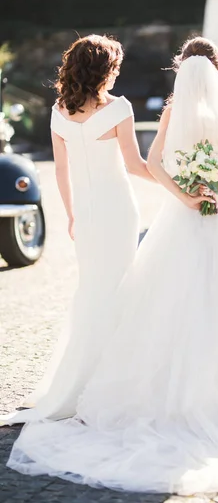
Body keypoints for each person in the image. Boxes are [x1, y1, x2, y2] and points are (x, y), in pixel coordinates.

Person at [7, 37, 218, 494]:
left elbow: (153, 162)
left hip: (178, 216)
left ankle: (134, 384)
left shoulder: (169, 113)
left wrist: (185, 192)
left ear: (182, 71)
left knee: (163, 297)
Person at [1, 34, 155, 424]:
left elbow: (63, 171)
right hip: (119, 210)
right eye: (115, 67)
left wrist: (72, 215)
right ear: (106, 70)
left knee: (93, 288)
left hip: (85, 213)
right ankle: (116, 377)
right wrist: (174, 181)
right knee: (119, 286)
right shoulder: (119, 109)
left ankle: (84, 377)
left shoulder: (58, 112)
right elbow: (135, 166)